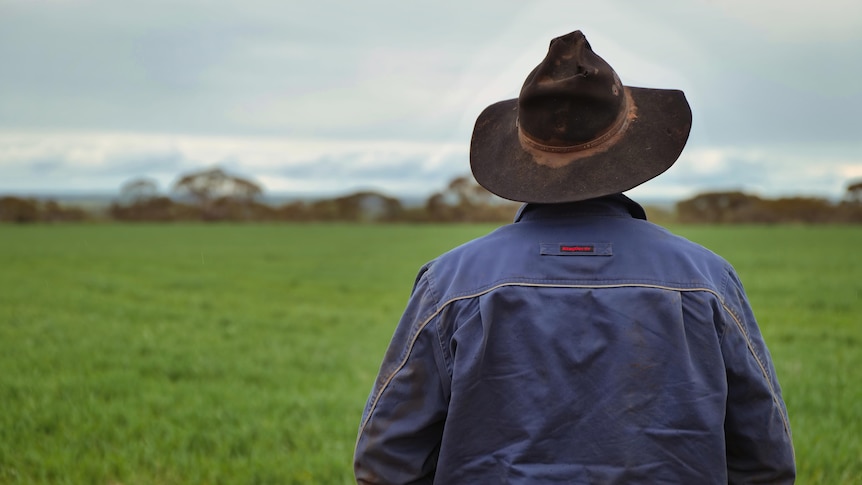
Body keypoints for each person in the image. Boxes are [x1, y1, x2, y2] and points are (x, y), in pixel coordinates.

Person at [353, 30, 796, 484]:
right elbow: (766, 460)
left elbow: (386, 460)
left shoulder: (449, 282)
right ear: (627, 147)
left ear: (521, 149)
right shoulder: (708, 279)